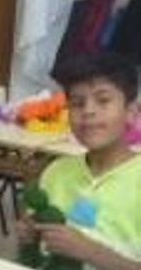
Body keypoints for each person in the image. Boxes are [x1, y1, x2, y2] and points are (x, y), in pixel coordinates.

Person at [18, 53, 141, 270]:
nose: (88, 111)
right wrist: (29, 236)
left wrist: (90, 252)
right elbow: (36, 252)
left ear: (131, 112)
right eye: (77, 103)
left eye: (103, 100)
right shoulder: (56, 172)